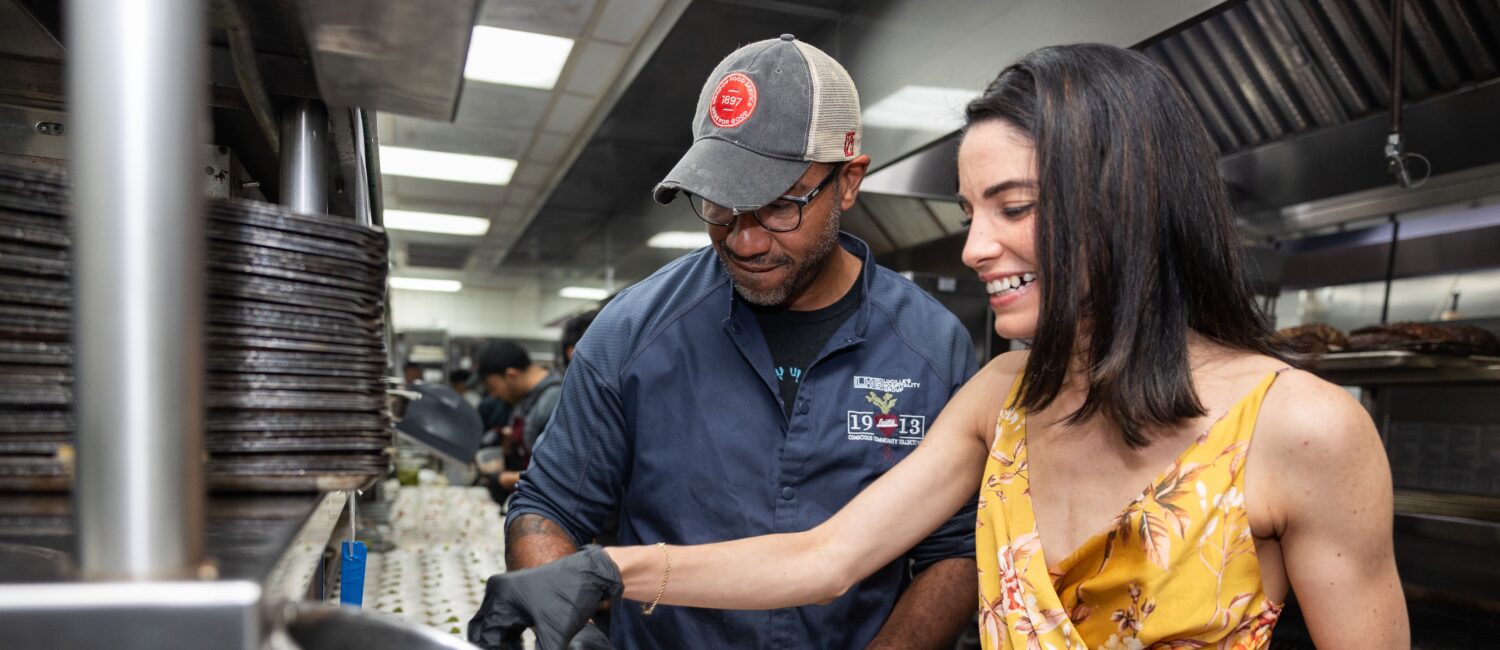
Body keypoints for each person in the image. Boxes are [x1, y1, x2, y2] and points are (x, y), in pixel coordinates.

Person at [470, 43, 1410, 650]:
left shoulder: (1303, 430)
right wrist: (605, 570)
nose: (973, 248)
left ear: (1123, 201)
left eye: (1015, 207)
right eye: (969, 212)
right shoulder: (1005, 393)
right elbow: (825, 557)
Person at [491, 34, 981, 650]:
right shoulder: (633, 332)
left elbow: (955, 550)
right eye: (720, 205)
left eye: (779, 207)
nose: (744, 241)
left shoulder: (932, 349)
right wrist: (574, 631)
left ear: (849, 182)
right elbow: (549, 505)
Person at [475, 341, 563, 495]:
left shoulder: (552, 402)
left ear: (511, 375)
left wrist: (505, 478)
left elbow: (557, 475)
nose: (493, 395)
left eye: (492, 388)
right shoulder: (525, 398)